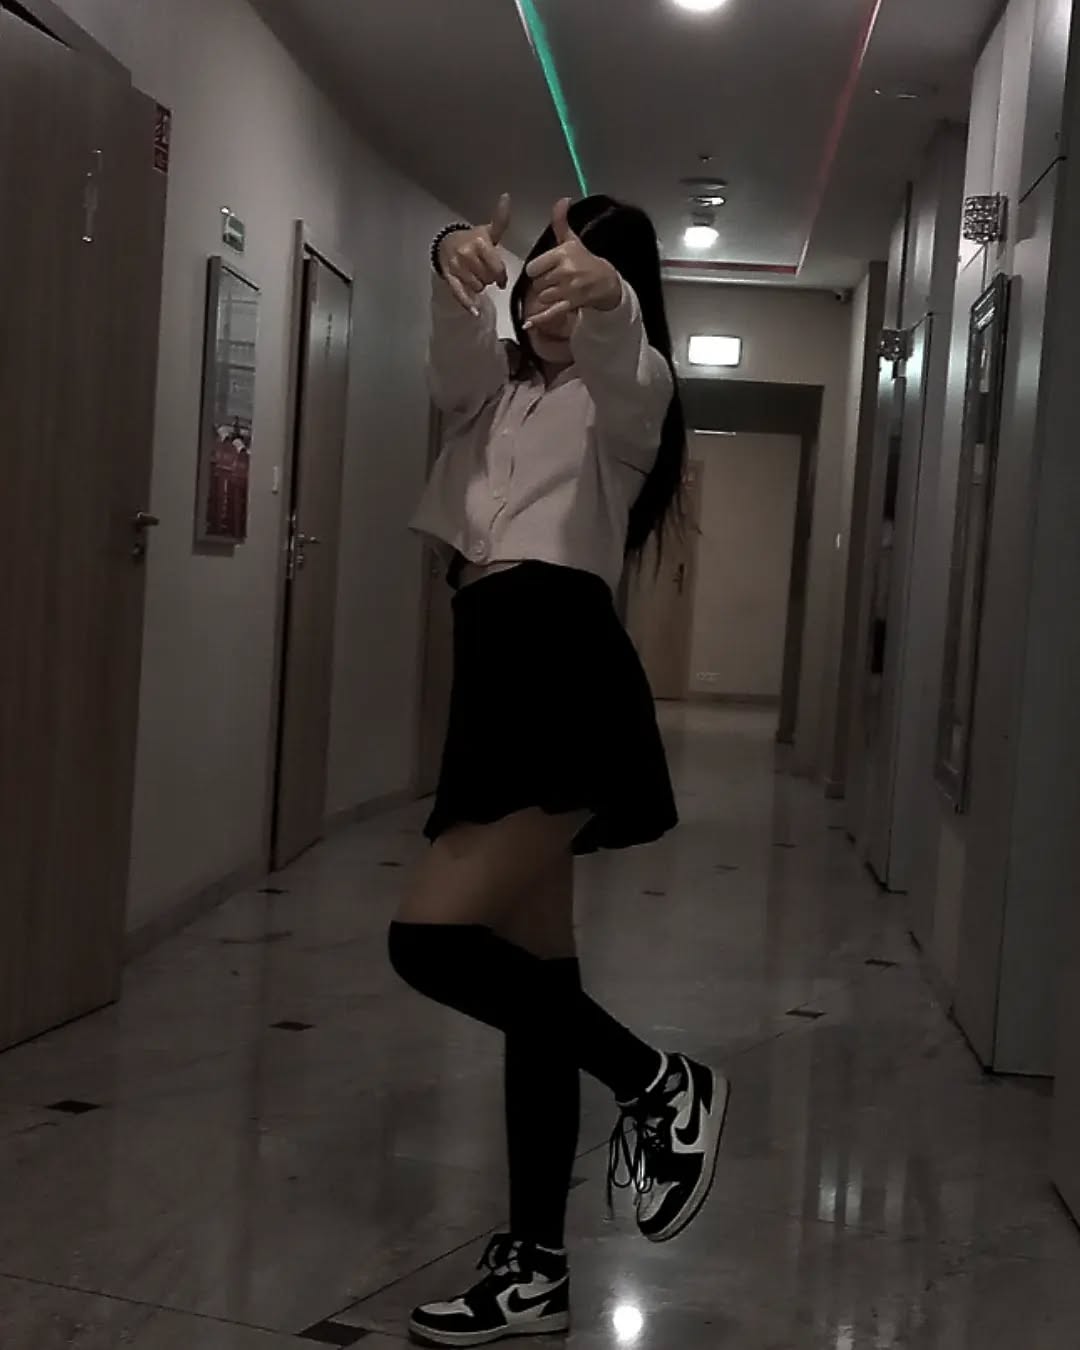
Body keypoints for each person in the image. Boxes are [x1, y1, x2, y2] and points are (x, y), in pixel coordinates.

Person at [389, 192, 731, 1347]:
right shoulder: (491, 395)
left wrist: (610, 299)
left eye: (570, 285)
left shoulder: (624, 405)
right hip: (493, 671)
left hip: (562, 675)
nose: (549, 303)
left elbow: (632, 363)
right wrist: (451, 261)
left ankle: (660, 1083)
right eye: (541, 281)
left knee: (428, 940)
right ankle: (535, 1269)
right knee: (537, 986)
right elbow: (452, 360)